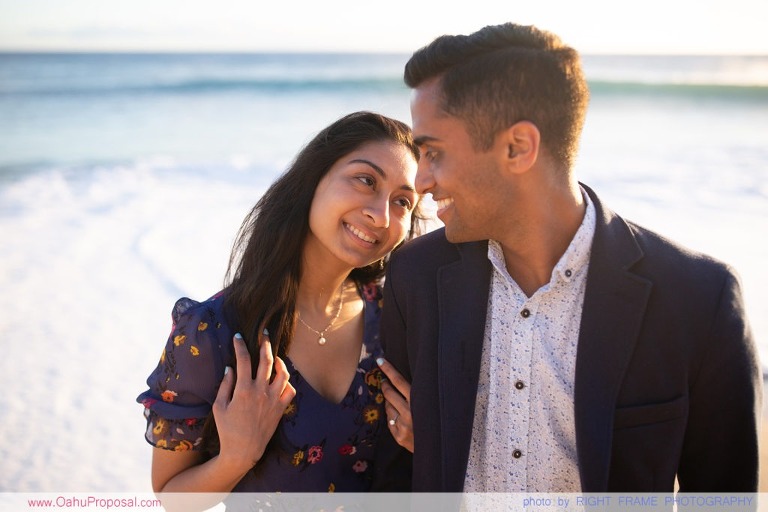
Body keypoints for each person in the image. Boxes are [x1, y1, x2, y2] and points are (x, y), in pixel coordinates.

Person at [374, 22, 762, 492]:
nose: (422, 182)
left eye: (433, 152)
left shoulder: (698, 297)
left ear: (518, 148)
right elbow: (394, 476)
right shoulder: (415, 277)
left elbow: (725, 497)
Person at [136, 111, 423, 505]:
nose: (381, 214)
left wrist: (427, 444)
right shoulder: (212, 331)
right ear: (313, 179)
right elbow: (173, 497)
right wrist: (236, 456)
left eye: (403, 201)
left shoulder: (396, 316)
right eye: (365, 180)